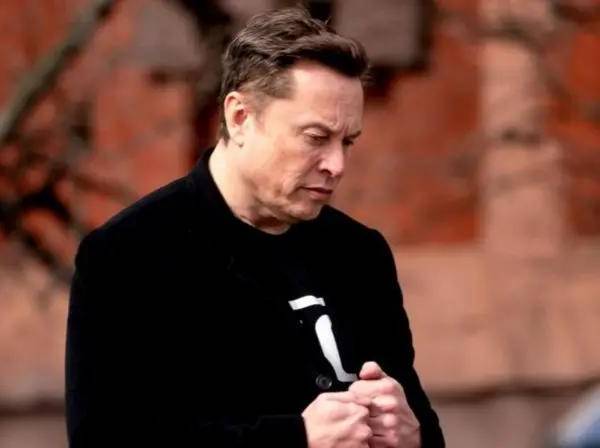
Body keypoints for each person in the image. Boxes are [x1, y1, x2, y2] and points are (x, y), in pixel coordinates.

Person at [65, 7, 444, 448]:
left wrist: (416, 435)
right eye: (316, 138)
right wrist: (296, 438)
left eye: (348, 142)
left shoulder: (360, 254)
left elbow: (419, 422)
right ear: (240, 117)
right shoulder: (129, 255)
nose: (337, 165)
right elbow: (106, 440)